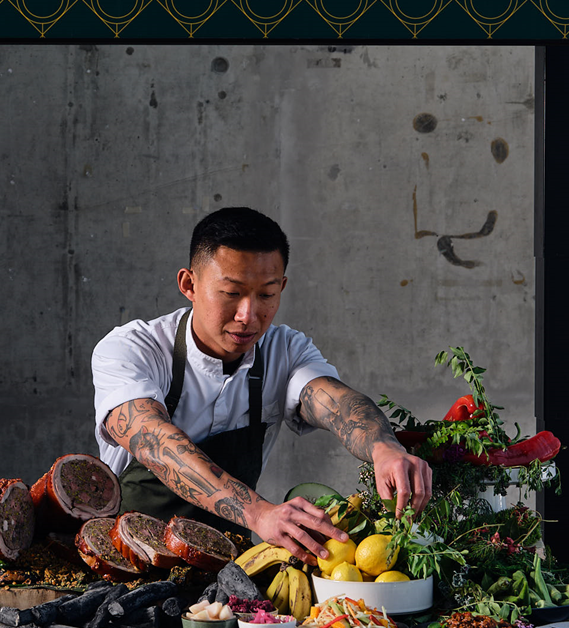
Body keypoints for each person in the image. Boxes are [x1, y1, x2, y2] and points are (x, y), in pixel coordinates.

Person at [92, 207, 431, 564]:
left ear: (281, 287)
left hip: (230, 567)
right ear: (189, 285)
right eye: (231, 293)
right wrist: (259, 514)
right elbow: (154, 442)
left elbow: (337, 402)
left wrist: (384, 448)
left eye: (266, 296)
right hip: (127, 562)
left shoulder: (285, 350)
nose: (248, 316)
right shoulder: (132, 349)